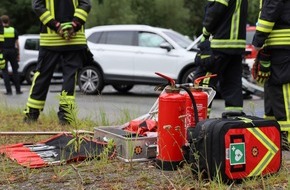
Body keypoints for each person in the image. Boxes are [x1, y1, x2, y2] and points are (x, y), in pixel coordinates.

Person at [23, 0, 91, 124]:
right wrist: (74, 25)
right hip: (74, 39)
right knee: (70, 77)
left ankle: (31, 115)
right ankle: (65, 117)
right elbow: (86, 4)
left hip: (50, 40)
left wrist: (56, 25)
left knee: (42, 76)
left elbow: (37, 6)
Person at [193, 0, 248, 117]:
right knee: (232, 83)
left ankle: (200, 121)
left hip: (219, 45)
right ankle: (234, 120)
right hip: (237, 47)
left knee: (203, 82)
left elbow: (215, 11)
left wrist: (206, 33)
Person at [252, 0, 290, 143]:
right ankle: (274, 137)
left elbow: (270, 10)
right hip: (279, 47)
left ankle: (286, 138)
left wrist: (257, 41)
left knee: (282, 91)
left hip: (282, 47)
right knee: (272, 92)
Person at [1, 15, 22, 95]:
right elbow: (17, 44)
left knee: (4, 71)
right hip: (13, 51)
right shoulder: (13, 30)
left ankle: (9, 91)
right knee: (15, 71)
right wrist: (18, 54)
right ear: (8, 21)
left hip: (3, 52)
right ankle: (18, 90)